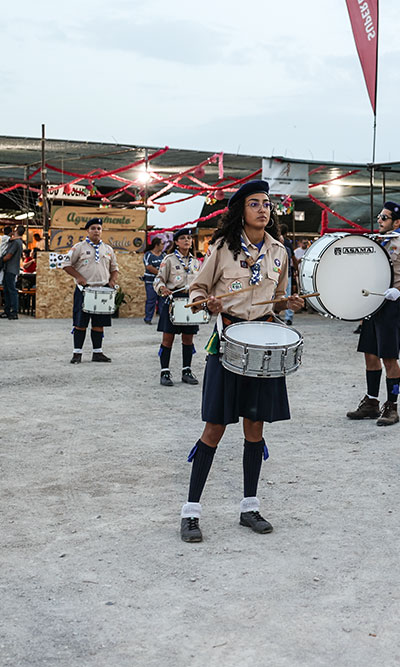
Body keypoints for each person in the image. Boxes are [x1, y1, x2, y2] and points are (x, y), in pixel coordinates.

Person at [178, 180, 303, 542]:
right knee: (214, 428)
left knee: (255, 428)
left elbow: (276, 299)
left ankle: (250, 506)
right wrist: (208, 303)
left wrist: (288, 303)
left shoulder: (279, 251)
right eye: (255, 203)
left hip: (263, 345)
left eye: (267, 203)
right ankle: (191, 512)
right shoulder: (222, 247)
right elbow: (197, 291)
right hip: (228, 342)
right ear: (241, 210)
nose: (263, 209)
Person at [346, 201, 400, 427]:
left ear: (397, 222)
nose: (379, 220)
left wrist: (399, 290)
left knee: (389, 358)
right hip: (372, 303)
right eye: (379, 216)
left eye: (384, 217)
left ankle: (392, 405)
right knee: (370, 355)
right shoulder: (375, 241)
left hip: (392, 304)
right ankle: (372, 402)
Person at [63, 218, 118, 363]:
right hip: (85, 290)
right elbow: (66, 264)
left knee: (99, 324)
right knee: (80, 323)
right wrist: (79, 277)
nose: (96, 231)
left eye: (99, 228)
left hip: (103, 291)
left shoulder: (108, 249)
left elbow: (114, 269)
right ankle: (77, 353)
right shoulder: (79, 247)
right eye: (93, 228)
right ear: (87, 231)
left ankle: (97, 353)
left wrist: (112, 281)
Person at [153, 228, 202, 386]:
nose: (187, 240)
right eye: (183, 238)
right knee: (168, 339)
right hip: (173, 301)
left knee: (188, 339)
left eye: (189, 238)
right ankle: (164, 372)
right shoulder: (169, 259)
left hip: (190, 302)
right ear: (176, 242)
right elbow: (158, 279)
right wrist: (162, 288)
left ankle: (186, 371)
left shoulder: (196, 262)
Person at [0, 225, 24, 319]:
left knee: (11, 290)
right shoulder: (19, 241)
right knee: (8, 290)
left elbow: (9, 256)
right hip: (12, 269)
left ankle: (13, 311)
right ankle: (8, 310)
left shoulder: (15, 242)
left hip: (10, 269)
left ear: (16, 231)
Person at [142, 236, 165, 324]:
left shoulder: (164, 255)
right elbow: (149, 267)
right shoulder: (148, 255)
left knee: (162, 301)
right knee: (151, 300)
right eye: (162, 244)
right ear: (157, 245)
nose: (163, 246)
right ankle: (148, 318)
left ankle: (163, 319)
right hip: (150, 281)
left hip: (162, 282)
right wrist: (160, 273)